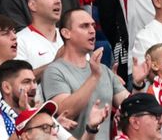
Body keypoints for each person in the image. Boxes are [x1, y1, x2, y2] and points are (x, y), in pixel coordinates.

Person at [42, 9, 128, 140]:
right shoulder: (54, 71)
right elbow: (66, 112)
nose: (92, 30)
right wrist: (94, 77)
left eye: (93, 25)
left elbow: (131, 106)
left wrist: (140, 84)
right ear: (66, 33)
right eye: (84, 26)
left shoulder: (103, 69)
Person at [15, 0, 64, 73]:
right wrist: (55, 63)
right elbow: (19, 81)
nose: (58, 1)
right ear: (33, 5)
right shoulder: (19, 40)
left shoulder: (71, 36)